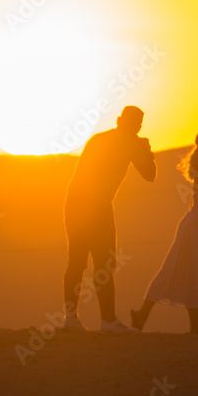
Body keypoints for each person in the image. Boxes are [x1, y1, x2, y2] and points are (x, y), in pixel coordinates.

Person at [62, 105, 156, 333]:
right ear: (123, 121)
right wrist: (147, 150)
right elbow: (150, 175)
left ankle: (71, 319)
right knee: (103, 265)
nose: (136, 128)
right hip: (96, 207)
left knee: (77, 262)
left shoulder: (98, 138)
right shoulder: (132, 142)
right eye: (135, 124)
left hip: (75, 203)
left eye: (138, 125)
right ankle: (108, 321)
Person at [130, 128, 198, 334]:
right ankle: (186, 324)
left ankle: (149, 315)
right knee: (192, 271)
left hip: (195, 221)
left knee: (186, 271)